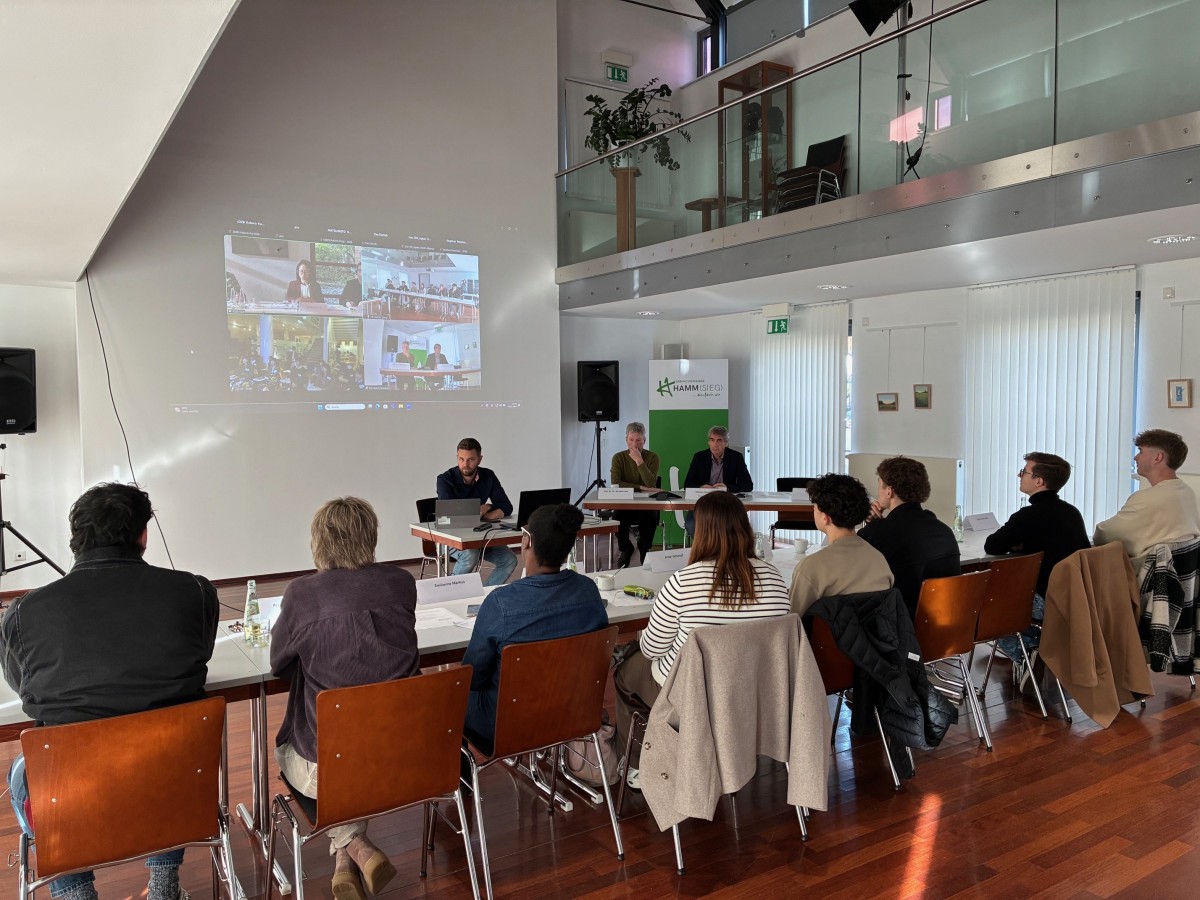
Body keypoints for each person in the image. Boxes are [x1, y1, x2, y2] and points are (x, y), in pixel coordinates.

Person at [1, 483, 219, 900]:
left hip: (73, 794)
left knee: (24, 774)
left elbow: (24, 688)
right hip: (172, 784)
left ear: (74, 539)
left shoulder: (25, 612)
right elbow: (199, 655)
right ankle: (164, 884)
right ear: (143, 535)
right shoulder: (194, 592)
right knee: (170, 749)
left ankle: (76, 893)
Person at [270, 497, 417, 900]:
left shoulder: (303, 594)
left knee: (316, 747)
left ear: (319, 541)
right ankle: (349, 857)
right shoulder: (401, 582)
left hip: (329, 768)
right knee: (351, 739)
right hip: (406, 755)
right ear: (370, 537)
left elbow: (279, 663)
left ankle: (355, 847)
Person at [613, 491, 791, 788]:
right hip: (756, 693)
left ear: (699, 532)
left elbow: (651, 647)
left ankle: (640, 765)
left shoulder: (683, 582)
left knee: (624, 674)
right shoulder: (773, 577)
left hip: (691, 695)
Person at [460, 504, 608, 745]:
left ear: (526, 541)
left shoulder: (501, 603)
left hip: (505, 724)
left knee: (450, 696)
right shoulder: (589, 591)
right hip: (572, 713)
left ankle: (462, 779)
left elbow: (473, 678)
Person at [984, 453, 1091, 659]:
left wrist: (1018, 545)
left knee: (985, 603)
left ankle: (1027, 656)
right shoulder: (1072, 512)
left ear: (1039, 481)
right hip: (1078, 597)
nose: (1019, 475)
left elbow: (993, 545)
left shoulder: (1028, 516)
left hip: (1048, 600)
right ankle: (1038, 650)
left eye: (1024, 472)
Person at [858, 456, 960, 619]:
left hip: (901, 629)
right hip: (945, 626)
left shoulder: (878, 533)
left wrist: (872, 526)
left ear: (889, 491)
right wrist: (876, 525)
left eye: (879, 485)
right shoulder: (944, 530)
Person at [1093, 429, 1200, 569]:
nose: (1135, 458)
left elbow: (1103, 536)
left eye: (1141, 451)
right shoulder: (1187, 492)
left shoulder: (1145, 498)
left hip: (1144, 582)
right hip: (1177, 580)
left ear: (1157, 458)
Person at [788, 473, 893, 615]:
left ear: (825, 518)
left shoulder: (810, 569)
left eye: (815, 507)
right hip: (880, 636)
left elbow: (795, 622)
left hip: (825, 637)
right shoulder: (880, 561)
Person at [436, 437, 518, 585]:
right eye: (461, 459)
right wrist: (479, 511)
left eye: (471, 459)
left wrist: (487, 507)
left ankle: (484, 598)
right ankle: (450, 594)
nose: (465, 465)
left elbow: (506, 505)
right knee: (470, 555)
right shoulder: (444, 479)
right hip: (450, 538)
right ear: (457, 458)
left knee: (509, 560)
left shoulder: (488, 476)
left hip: (479, 536)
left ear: (480, 459)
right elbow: (449, 512)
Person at [682, 425, 753, 536]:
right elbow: (687, 484)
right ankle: (703, 552)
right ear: (708, 442)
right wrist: (701, 487)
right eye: (712, 440)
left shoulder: (736, 457)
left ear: (726, 443)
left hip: (726, 503)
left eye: (719, 440)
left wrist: (727, 487)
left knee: (732, 526)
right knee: (691, 525)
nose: (715, 444)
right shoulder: (699, 457)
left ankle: (724, 551)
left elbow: (748, 485)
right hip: (703, 502)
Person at [609, 421, 661, 568]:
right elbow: (616, 485)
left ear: (644, 440)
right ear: (626, 440)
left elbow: (650, 484)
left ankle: (645, 550)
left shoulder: (652, 457)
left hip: (646, 505)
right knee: (617, 518)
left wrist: (639, 460)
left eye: (638, 440)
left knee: (649, 520)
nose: (634, 444)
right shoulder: (618, 458)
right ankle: (626, 549)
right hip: (625, 504)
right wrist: (640, 487)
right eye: (631, 440)